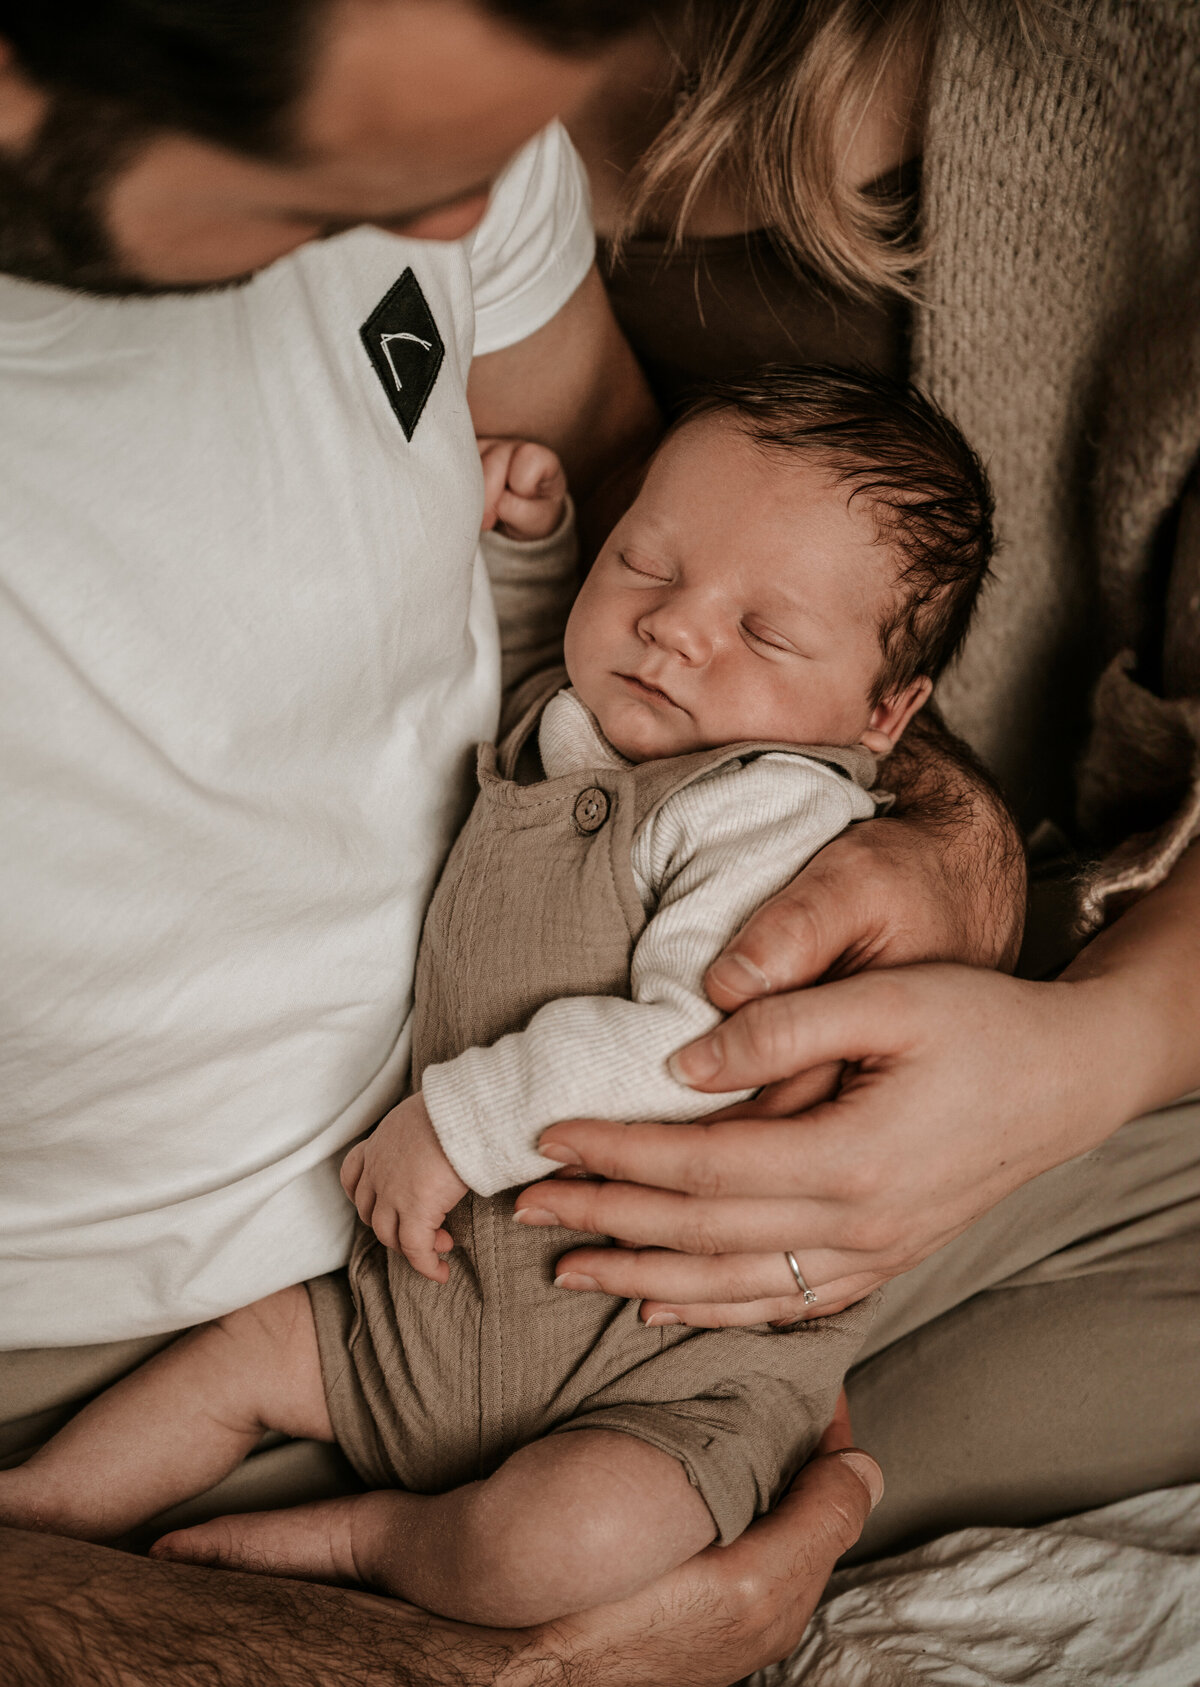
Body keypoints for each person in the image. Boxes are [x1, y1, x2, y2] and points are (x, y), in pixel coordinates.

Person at [0, 3, 891, 1683]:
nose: (465, 227)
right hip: (242, 1303)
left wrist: (943, 867)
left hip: (675, 1258)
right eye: (363, 167)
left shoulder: (447, 124)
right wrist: (406, 1657)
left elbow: (638, 552)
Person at [1, 366, 991, 1631]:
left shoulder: (771, 808)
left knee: (567, 1545)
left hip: (655, 1370)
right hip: (422, 1310)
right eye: (646, 564)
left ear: (884, 712)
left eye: (763, 631)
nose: (677, 629)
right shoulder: (601, 718)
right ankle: (42, 1510)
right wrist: (536, 560)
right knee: (241, 1358)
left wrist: (460, 1124)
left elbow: (700, 1044)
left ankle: (380, 1536)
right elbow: (535, 686)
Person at [542, 0, 1200, 1560]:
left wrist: (1086, 1046)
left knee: (653, 1484)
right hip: (510, 912)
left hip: (1067, 979)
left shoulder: (1133, 73)